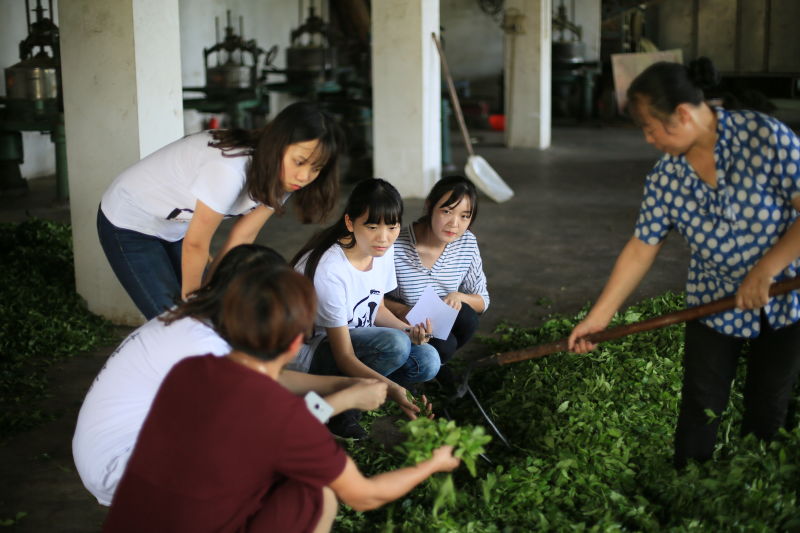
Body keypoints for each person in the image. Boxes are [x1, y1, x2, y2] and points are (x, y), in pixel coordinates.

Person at [567, 58, 800, 469]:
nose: (648, 139)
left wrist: (764, 272)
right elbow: (643, 245)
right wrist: (599, 317)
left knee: (769, 404)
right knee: (701, 402)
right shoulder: (666, 177)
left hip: (784, 296)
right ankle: (689, 477)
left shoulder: (765, 138)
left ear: (682, 115)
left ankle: (755, 480)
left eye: (650, 128)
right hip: (712, 299)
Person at [102, 266, 460, 533]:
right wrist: (433, 463)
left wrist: (347, 393)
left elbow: (286, 421)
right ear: (296, 344)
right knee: (319, 496)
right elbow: (364, 495)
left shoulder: (191, 369)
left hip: (130, 516)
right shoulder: (284, 417)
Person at [74, 244, 387, 506]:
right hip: (121, 471)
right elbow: (274, 435)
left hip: (116, 454)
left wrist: (345, 383)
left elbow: (263, 381)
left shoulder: (200, 316)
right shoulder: (204, 346)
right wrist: (344, 399)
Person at [98, 101, 342, 320]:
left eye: (316, 168)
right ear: (278, 145)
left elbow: (242, 237)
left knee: (213, 305)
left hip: (177, 226)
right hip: (130, 220)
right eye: (299, 162)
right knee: (173, 321)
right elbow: (195, 244)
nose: (305, 176)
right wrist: (194, 304)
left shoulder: (285, 175)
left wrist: (209, 294)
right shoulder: (229, 169)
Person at [292, 178, 440, 437]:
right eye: (371, 226)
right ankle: (341, 409)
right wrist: (393, 388)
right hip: (313, 353)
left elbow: (377, 308)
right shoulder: (330, 269)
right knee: (395, 346)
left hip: (361, 341)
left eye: (392, 227)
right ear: (350, 222)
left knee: (428, 359)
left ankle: (370, 391)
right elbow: (344, 356)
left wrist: (410, 330)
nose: (383, 238)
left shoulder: (382, 249)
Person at [385, 175, 489, 373]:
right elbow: (372, 298)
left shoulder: (466, 243)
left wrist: (459, 296)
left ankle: (435, 366)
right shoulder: (395, 245)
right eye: (447, 211)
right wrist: (403, 312)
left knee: (467, 317)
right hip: (398, 324)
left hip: (436, 322)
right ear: (429, 206)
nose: (454, 224)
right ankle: (414, 371)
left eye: (464, 216)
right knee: (445, 344)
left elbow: (483, 300)